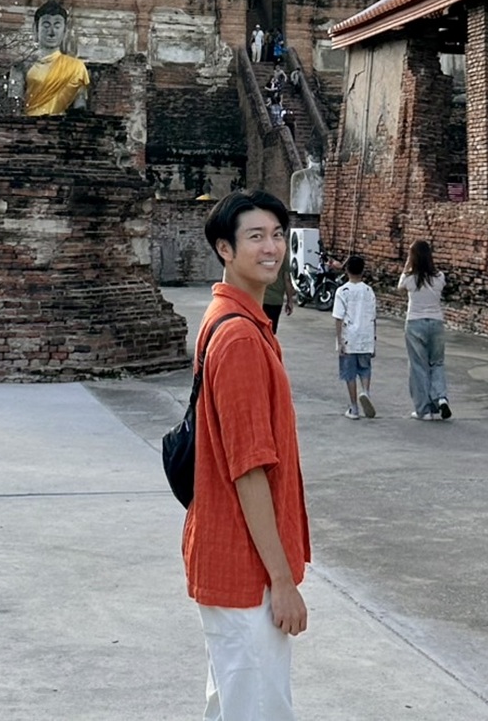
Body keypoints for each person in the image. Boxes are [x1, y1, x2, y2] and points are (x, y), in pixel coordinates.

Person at [184, 190, 310, 720]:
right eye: (255, 237)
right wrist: (281, 581)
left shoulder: (240, 321)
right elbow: (249, 469)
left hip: (232, 555)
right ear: (225, 249)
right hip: (245, 567)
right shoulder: (238, 337)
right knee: (259, 709)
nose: (271, 248)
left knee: (234, 705)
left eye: (278, 235)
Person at [398, 239, 451, 420]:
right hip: (436, 323)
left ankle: (424, 410)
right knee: (437, 363)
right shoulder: (440, 277)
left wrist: (408, 263)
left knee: (418, 366)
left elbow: (400, 287)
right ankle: (441, 398)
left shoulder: (410, 278)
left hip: (415, 322)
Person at [23, 1, 90, 117]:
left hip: (59, 124)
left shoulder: (76, 67)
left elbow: (80, 105)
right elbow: (13, 105)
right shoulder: (22, 65)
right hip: (28, 123)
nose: (52, 32)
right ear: (35, 29)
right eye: (46, 26)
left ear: (65, 31)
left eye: (57, 26)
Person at [333, 254, 376, 418]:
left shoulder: (342, 291)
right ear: (363, 271)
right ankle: (365, 392)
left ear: (347, 270)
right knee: (365, 369)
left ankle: (354, 408)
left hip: (349, 338)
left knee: (349, 373)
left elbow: (338, 318)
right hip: (366, 336)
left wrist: (339, 341)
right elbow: (373, 317)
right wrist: (374, 340)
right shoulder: (369, 291)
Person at [263, 245, 295, 335]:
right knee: (271, 331)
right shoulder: (282, 257)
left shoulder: (261, 254)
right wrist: (290, 301)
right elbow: (287, 279)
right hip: (275, 301)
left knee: (260, 329)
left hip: (261, 299)